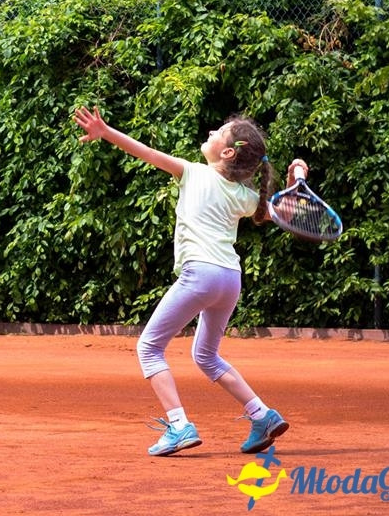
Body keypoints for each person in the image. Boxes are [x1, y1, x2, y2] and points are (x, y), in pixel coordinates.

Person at [72, 105, 308, 457]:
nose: (211, 133)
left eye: (218, 132)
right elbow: (287, 211)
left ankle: (180, 425)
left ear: (227, 152)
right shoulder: (247, 196)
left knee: (149, 348)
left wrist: (106, 133)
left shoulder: (193, 173)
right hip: (229, 280)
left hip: (201, 274)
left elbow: (146, 152)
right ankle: (262, 415)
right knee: (206, 355)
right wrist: (295, 182)